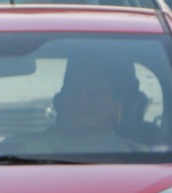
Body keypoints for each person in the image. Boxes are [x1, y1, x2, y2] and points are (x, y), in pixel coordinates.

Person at [9, 54, 145, 156]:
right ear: (60, 100)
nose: (83, 100)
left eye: (94, 94)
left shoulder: (142, 158)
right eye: (75, 91)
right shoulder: (19, 152)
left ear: (116, 107)